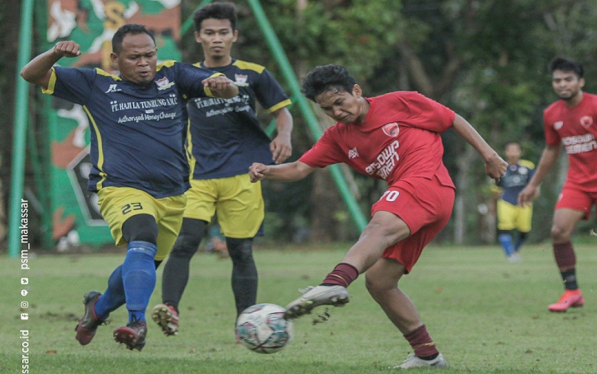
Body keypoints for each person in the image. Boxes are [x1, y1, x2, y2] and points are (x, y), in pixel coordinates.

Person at [249, 64, 507, 369]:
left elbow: (452, 119)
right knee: (380, 281)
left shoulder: (400, 102)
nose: (337, 111)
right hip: (420, 199)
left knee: (378, 226)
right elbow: (300, 169)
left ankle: (334, 282)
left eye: (340, 102)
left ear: (356, 91)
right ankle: (427, 354)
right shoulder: (337, 138)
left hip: (427, 182)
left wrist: (489, 155)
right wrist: (267, 171)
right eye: (328, 108)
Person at [20, 24, 238, 351]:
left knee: (139, 268)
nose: (144, 63)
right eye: (134, 57)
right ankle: (137, 322)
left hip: (174, 194)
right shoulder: (95, 84)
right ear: (115, 59)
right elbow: (29, 73)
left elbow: (222, 89)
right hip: (121, 187)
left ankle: (97, 309)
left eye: (149, 55)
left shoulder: (174, 76)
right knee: (143, 236)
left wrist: (223, 86)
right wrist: (54, 54)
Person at [150, 1, 293, 337]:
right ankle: (169, 309)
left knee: (240, 249)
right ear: (198, 37)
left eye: (223, 33)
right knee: (185, 241)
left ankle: (248, 322)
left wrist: (284, 134)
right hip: (196, 175)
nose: (217, 39)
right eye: (210, 33)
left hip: (243, 173)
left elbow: (282, 111)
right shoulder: (187, 75)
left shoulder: (254, 74)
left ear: (234, 36)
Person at [518, 57, 597, 314]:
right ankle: (572, 291)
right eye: (557, 80)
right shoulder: (551, 114)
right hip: (577, 183)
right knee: (559, 231)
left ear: (580, 81)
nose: (562, 84)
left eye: (568, 79)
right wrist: (533, 184)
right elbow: (551, 149)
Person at [493, 142, 535, 262]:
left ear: (520, 152)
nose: (513, 152)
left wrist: (534, 192)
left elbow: (534, 183)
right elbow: (497, 188)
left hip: (524, 202)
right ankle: (510, 255)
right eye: (510, 150)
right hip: (506, 201)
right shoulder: (501, 167)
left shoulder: (528, 166)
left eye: (515, 150)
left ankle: (514, 251)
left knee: (524, 230)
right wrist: (492, 204)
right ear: (506, 153)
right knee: (505, 227)